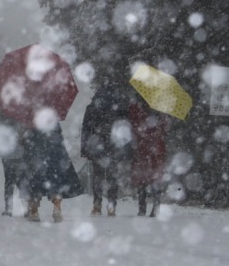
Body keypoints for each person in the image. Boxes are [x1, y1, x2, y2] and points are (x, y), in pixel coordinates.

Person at [81, 82, 133, 216]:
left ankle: (97, 205)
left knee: (97, 177)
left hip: (96, 146)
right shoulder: (120, 109)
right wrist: (125, 149)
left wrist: (85, 148)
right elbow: (125, 130)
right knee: (112, 177)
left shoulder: (92, 108)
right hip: (113, 147)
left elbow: (86, 130)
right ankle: (111, 206)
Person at [20, 119, 85, 223]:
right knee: (55, 181)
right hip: (54, 156)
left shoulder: (31, 119)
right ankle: (57, 208)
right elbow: (59, 137)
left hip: (37, 156)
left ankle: (34, 210)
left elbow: (26, 141)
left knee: (35, 182)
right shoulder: (53, 119)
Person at [0, 86, 25, 217]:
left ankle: (9, 207)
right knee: (20, 179)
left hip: (7, 151)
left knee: (9, 180)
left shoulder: (0, 112)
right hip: (19, 149)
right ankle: (26, 206)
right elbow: (23, 130)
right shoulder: (19, 111)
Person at [128, 93, 170, 217]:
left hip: (142, 148)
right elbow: (166, 128)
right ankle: (156, 207)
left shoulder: (136, 108)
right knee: (155, 178)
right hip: (156, 148)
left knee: (142, 179)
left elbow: (133, 126)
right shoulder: (162, 110)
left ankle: (142, 208)